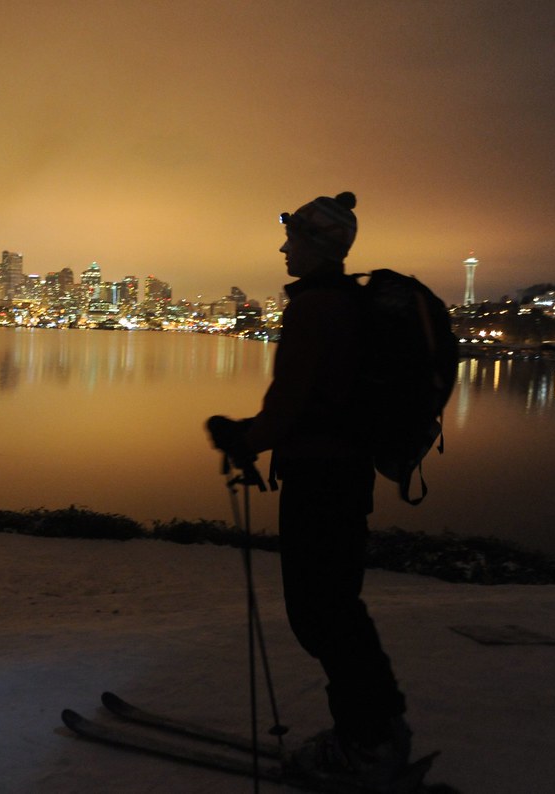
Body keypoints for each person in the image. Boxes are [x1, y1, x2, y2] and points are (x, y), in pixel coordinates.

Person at [207, 192, 410, 788]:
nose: (283, 246)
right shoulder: (346, 302)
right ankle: (379, 731)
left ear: (318, 246)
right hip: (346, 477)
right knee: (338, 609)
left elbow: (290, 403)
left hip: (320, 481)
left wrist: (242, 437)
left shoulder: (316, 307)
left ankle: (367, 743)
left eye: (292, 238)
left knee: (321, 614)